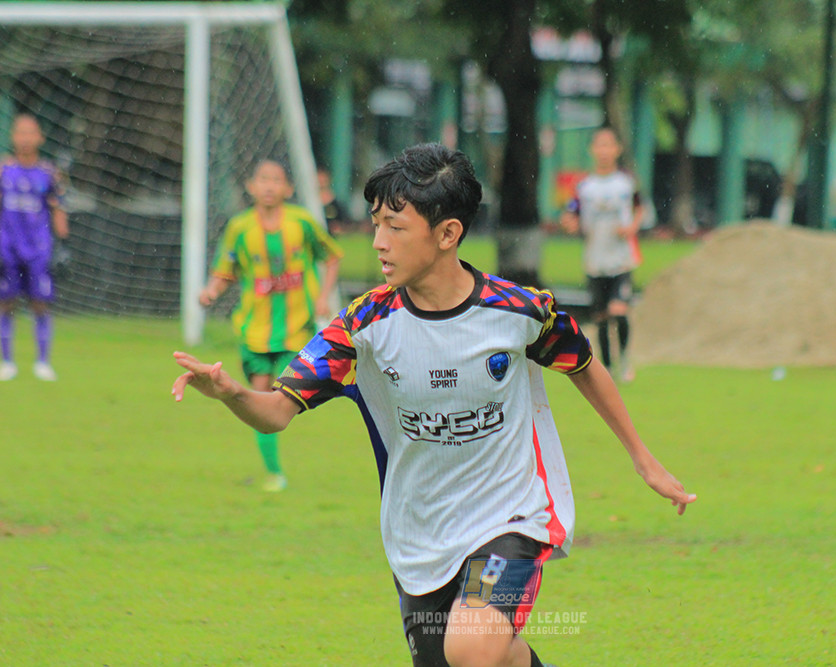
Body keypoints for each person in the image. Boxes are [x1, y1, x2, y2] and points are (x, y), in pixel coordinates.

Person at [172, 143, 695, 666]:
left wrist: (643, 460)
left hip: (510, 517)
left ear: (448, 234)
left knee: (470, 648)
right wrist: (232, 393)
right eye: (376, 224)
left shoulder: (516, 311)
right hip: (419, 534)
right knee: (474, 658)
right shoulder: (363, 328)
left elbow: (583, 364)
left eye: (395, 228)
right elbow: (277, 412)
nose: (378, 243)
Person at [198, 159, 343, 492]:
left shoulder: (302, 223)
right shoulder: (240, 227)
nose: (268, 186)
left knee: (281, 395)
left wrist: (323, 297)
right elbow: (226, 269)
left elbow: (332, 257)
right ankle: (274, 472)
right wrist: (211, 290)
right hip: (254, 329)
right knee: (260, 397)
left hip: (296, 328)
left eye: (276, 180)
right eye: (262, 179)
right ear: (251, 186)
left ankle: (280, 469)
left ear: (288, 189)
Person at [560, 125, 645, 383]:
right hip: (595, 261)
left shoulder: (626, 182)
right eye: (600, 145)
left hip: (621, 260)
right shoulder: (584, 186)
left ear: (617, 149)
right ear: (592, 150)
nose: (604, 151)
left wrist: (631, 227)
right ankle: (608, 367)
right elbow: (569, 213)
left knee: (618, 311)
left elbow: (640, 209)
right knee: (600, 317)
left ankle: (625, 359)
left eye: (609, 145)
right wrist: (570, 224)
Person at [0, 113, 69, 382]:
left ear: (40, 137)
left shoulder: (50, 173)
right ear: (13, 137)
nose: (26, 138)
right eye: (21, 132)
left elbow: (59, 208)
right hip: (8, 248)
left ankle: (43, 362)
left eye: (31, 133)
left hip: (39, 249)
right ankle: (6, 361)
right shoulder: (4, 170)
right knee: (6, 303)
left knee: (41, 303)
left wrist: (64, 245)